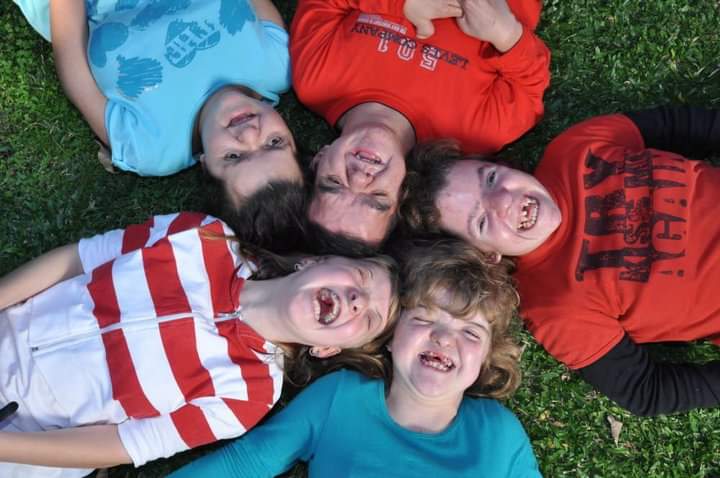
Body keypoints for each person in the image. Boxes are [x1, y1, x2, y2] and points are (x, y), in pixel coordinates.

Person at [0, 211, 400, 477]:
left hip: (25, 437)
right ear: (315, 261)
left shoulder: (248, 396)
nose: (357, 301)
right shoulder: (204, 235)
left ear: (326, 351)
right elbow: (80, 259)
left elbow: (120, 444)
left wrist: (5, 447)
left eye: (368, 319)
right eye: (360, 278)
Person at [402, 105, 720, 416]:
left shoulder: (574, 147)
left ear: (503, 165)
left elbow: (677, 125)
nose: (504, 200)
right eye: (482, 221)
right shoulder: (555, 307)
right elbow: (644, 391)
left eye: (491, 179)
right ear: (487, 255)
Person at [170, 239, 541, 477]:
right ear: (391, 338)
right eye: (424, 319)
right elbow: (244, 465)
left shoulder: (498, 433)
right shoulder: (340, 398)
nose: (443, 338)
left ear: (485, 360)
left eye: (471, 333)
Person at [12, 0, 304, 249]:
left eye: (234, 157)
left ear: (205, 165)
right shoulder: (276, 66)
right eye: (274, 142)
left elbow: (77, 75)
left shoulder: (153, 146)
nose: (250, 133)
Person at [291, 0, 551, 248]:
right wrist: (505, 34)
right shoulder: (477, 132)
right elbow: (529, 81)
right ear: (402, 192)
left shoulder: (316, 82)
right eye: (377, 198)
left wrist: (399, 4)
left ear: (319, 159)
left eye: (335, 184)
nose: (359, 178)